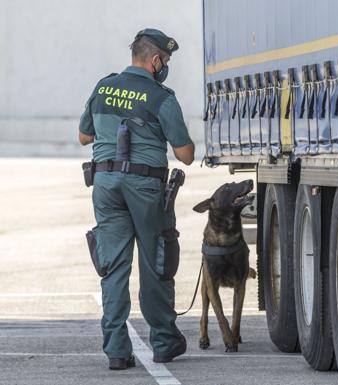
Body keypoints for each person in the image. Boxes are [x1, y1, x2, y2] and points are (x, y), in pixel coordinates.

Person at [78, 28, 194, 370]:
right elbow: (185, 154)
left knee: (112, 267)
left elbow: (84, 136)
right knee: (155, 262)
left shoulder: (102, 88)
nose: (166, 66)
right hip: (144, 187)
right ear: (156, 60)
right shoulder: (162, 96)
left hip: (105, 183)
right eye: (167, 60)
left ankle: (116, 350)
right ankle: (164, 342)